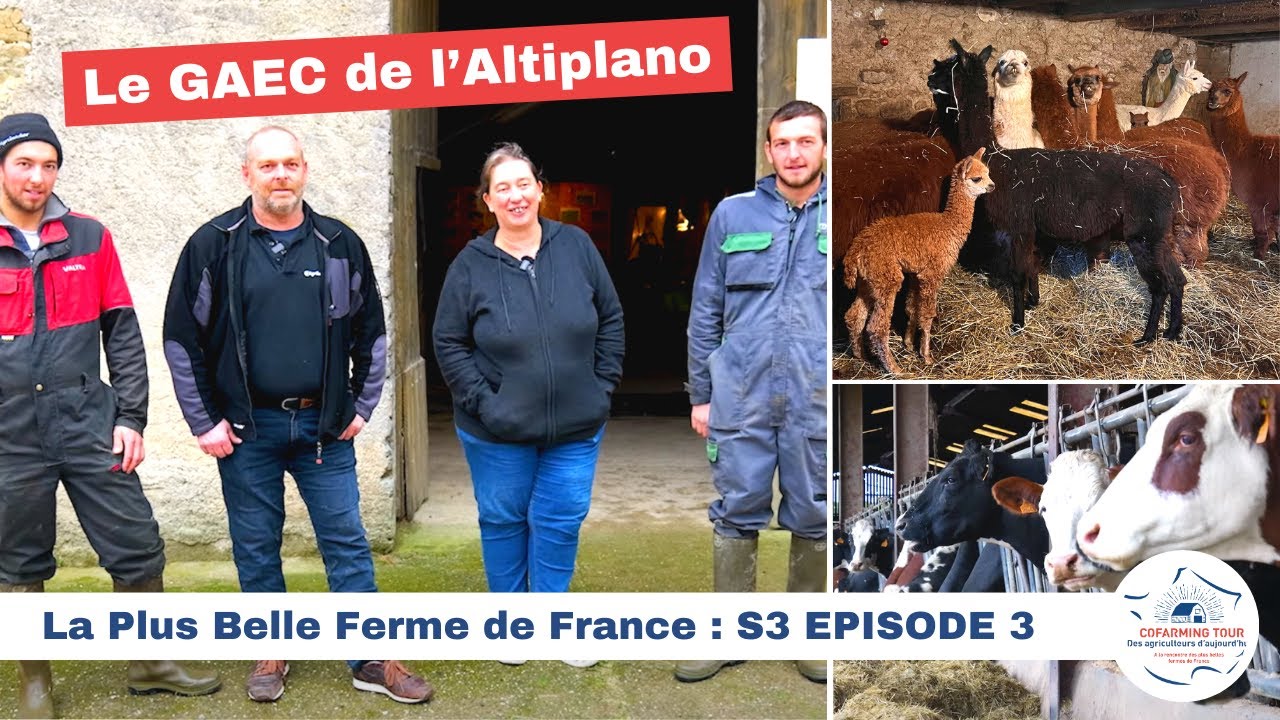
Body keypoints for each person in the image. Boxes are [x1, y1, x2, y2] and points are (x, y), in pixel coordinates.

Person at [162, 126, 432, 704]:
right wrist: (203, 421)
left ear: (305, 170)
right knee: (256, 545)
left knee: (347, 542)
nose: (280, 174)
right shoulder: (214, 244)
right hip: (245, 429)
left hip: (323, 430)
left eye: (290, 164)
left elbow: (372, 335)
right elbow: (181, 340)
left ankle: (370, 658)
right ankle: (271, 648)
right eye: (268, 166)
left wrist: (361, 406)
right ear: (248, 175)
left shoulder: (338, 243)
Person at [0, 112, 221, 718]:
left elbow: (121, 332)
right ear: (1, 168)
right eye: (24, 163)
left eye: (48, 165)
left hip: (87, 419)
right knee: (18, 559)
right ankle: (34, 682)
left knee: (136, 543)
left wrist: (131, 417)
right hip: (9, 432)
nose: (37, 176)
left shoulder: (90, 238)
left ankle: (150, 661)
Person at [432, 143, 624, 623]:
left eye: (524, 184)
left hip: (577, 425)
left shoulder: (576, 245)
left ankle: (552, 618)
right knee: (503, 521)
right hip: (495, 428)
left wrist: (601, 386)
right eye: (502, 188)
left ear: (541, 189)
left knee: (560, 521)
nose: (515, 196)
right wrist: (485, 403)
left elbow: (611, 318)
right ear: (488, 200)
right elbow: (448, 342)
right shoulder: (469, 264)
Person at [678, 101, 829, 684]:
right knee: (736, 511)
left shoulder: (841, 216)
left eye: (805, 142)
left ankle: (808, 641)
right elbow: (705, 309)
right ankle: (729, 636)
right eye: (783, 143)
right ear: (769, 151)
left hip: (814, 395)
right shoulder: (732, 214)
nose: (794, 153)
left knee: (813, 514)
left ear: (822, 148)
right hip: (739, 394)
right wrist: (700, 394)